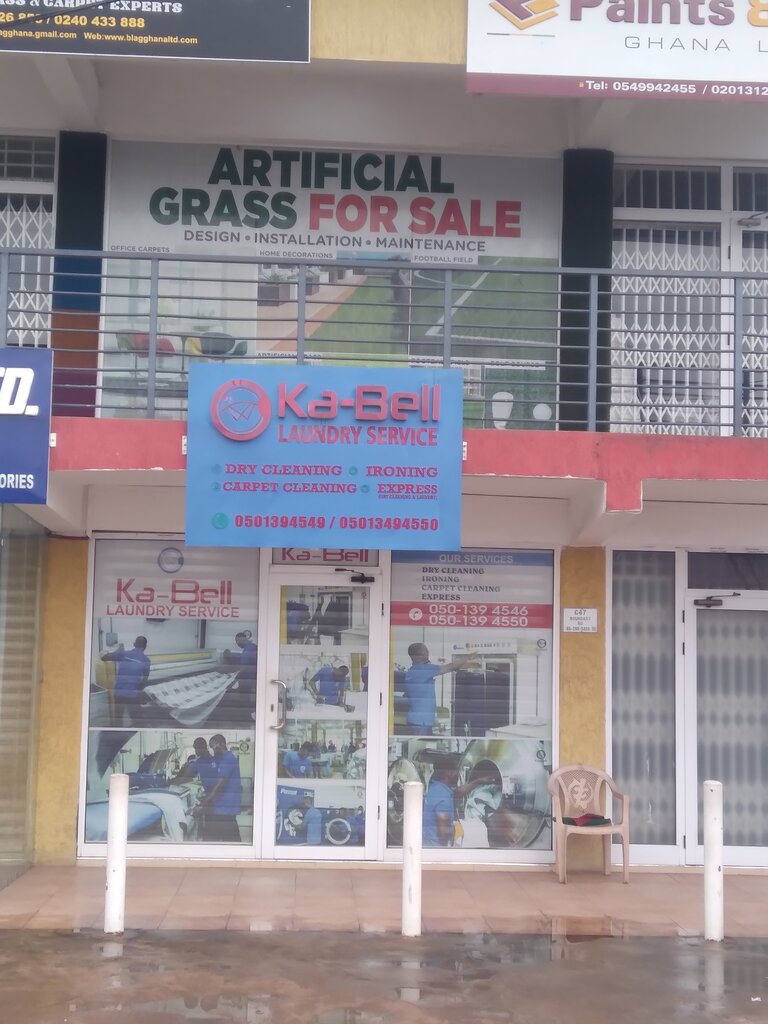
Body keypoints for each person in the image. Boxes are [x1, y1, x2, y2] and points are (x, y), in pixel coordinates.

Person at [403, 643, 475, 736]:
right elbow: (451, 667)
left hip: (419, 722)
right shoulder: (422, 670)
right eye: (425, 652)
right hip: (421, 723)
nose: (427, 654)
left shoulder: (413, 671)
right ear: (417, 655)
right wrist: (469, 657)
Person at [192, 734, 242, 842]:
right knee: (229, 841)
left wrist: (203, 803)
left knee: (219, 841)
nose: (213, 750)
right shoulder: (223, 759)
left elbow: (220, 785)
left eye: (213, 747)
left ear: (222, 744)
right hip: (222, 808)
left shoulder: (227, 759)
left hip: (225, 809)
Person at [101, 636, 151, 726]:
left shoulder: (123, 654)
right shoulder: (146, 660)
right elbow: (145, 680)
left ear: (134, 644)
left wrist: (117, 651)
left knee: (118, 719)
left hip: (118, 692)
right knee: (136, 721)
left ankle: (117, 736)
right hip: (132, 694)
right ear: (145, 646)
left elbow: (104, 657)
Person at [222, 630, 258, 716]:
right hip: (250, 677)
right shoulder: (251, 647)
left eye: (237, 641)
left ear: (242, 639)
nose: (237, 644)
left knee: (245, 697)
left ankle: (245, 715)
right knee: (245, 697)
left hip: (248, 678)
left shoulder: (248, 649)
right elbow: (243, 659)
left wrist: (232, 676)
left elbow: (243, 666)